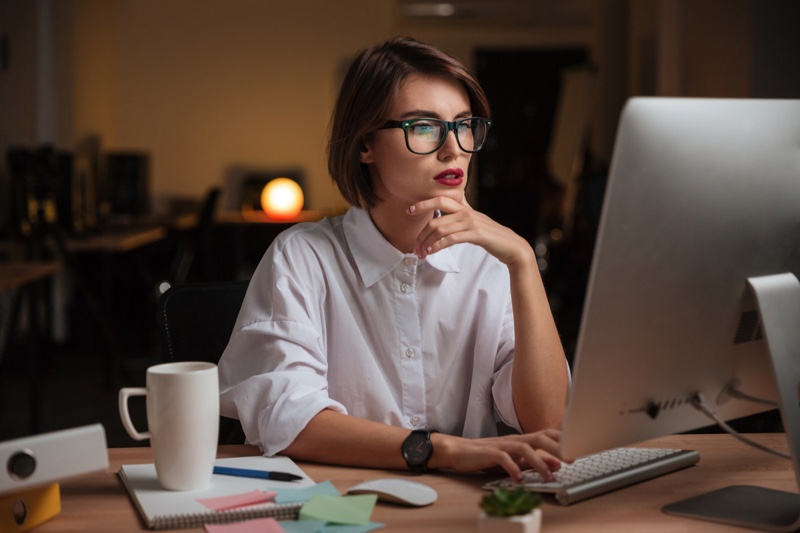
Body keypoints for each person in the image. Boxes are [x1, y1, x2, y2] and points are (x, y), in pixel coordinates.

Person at [218, 36, 570, 482]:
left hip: (460, 511)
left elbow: (548, 425)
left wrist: (522, 261)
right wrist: (437, 450)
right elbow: (289, 419)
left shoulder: (490, 264)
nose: (453, 149)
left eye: (463, 125)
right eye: (423, 127)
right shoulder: (303, 257)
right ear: (366, 143)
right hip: (338, 505)